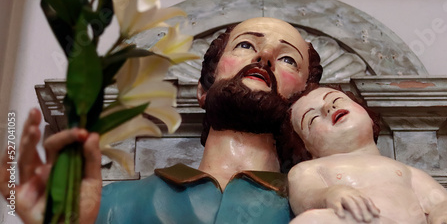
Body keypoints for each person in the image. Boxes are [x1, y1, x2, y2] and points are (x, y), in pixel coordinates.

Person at [1, 17, 322, 224]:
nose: (263, 56)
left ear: (304, 103)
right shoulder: (112, 206)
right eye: (246, 44)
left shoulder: (319, 208)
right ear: (203, 88)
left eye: (287, 59)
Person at [287, 86, 447, 224]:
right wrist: (329, 194)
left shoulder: (405, 171)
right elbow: (304, 195)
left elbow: (440, 202)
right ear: (305, 148)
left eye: (337, 99)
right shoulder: (309, 168)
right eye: (312, 119)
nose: (328, 107)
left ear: (367, 114)